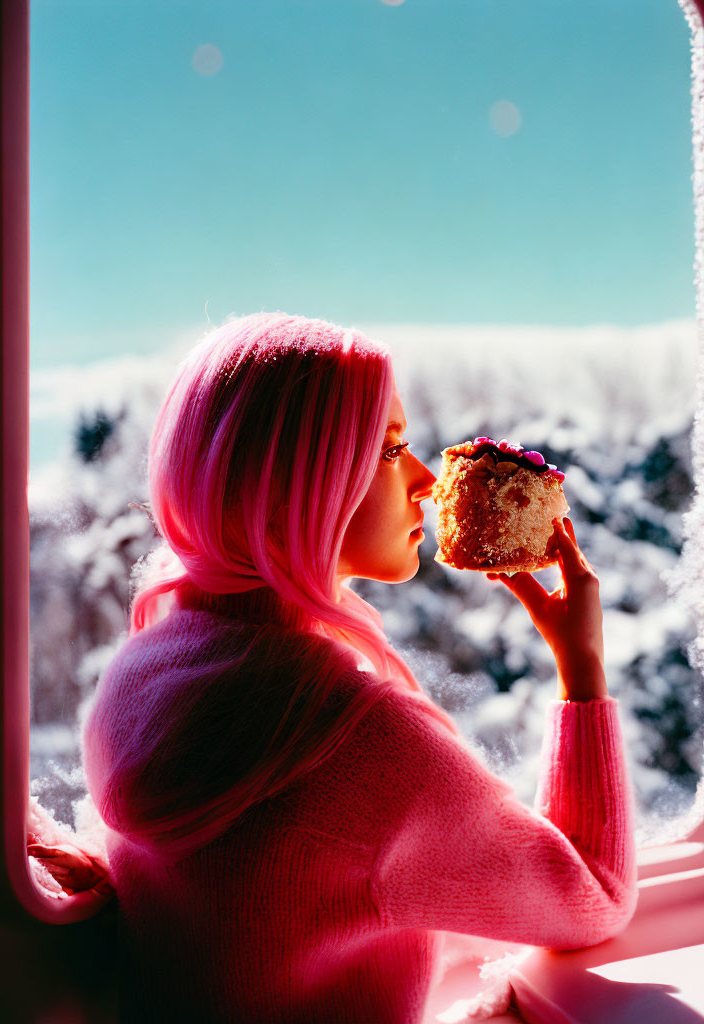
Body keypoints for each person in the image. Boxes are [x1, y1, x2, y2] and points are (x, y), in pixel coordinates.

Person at [66, 313, 636, 1022]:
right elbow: (594, 899)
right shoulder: (359, 743)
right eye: (393, 450)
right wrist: (580, 670)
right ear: (296, 485)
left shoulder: (142, 674)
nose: (427, 481)